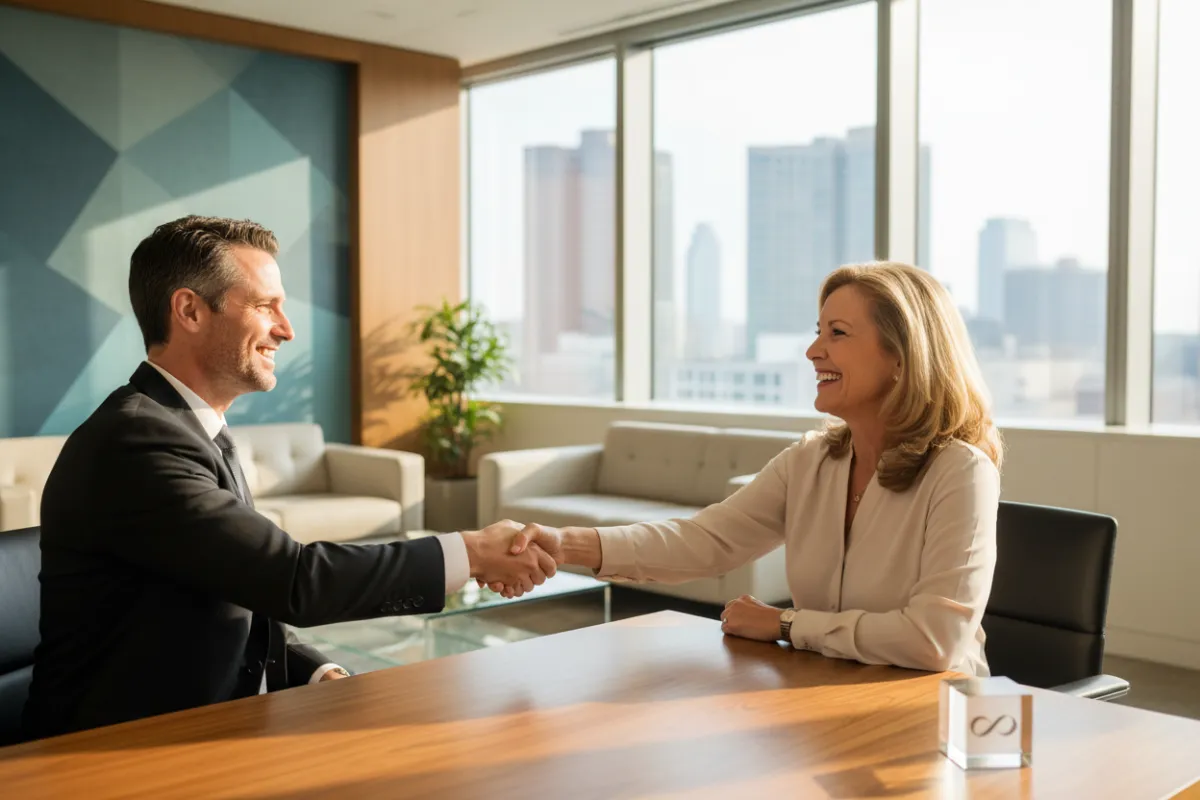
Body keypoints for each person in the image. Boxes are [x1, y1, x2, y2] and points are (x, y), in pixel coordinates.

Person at [24, 216, 554, 740]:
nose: (286, 328)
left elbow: (243, 587)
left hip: (206, 728)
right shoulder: (137, 440)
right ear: (189, 310)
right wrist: (472, 552)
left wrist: (317, 671)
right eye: (263, 305)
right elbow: (292, 580)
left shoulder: (191, 430)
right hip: (113, 754)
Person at [501, 262, 1004, 676]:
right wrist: (565, 543)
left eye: (838, 333)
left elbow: (935, 641)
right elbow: (702, 541)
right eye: (817, 332)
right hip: (825, 696)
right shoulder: (811, 461)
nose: (813, 350)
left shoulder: (961, 473)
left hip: (937, 723)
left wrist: (786, 624)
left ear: (902, 356)